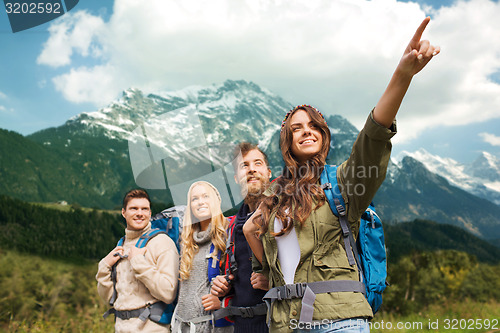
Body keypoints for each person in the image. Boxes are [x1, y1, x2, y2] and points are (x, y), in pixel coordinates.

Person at [243, 17, 440, 333]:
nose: (306, 131)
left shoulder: (343, 182)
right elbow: (259, 250)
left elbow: (372, 141)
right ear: (287, 142)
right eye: (297, 128)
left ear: (323, 134)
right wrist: (259, 253)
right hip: (284, 323)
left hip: (340, 320)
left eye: (312, 126)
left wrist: (403, 76)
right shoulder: (273, 196)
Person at [96, 189, 179, 332]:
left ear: (150, 213)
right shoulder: (120, 246)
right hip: (121, 327)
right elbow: (110, 299)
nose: (140, 213)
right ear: (124, 212)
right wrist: (104, 267)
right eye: (134, 208)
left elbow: (168, 293)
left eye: (144, 209)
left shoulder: (162, 243)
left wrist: (138, 262)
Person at [210, 142, 272, 333]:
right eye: (245, 165)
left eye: (257, 163)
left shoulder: (283, 216)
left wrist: (273, 281)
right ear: (237, 178)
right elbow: (237, 274)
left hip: (278, 323)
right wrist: (225, 286)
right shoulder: (233, 227)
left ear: (269, 173)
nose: (252, 169)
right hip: (242, 325)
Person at [172, 181, 233, 333]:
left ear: (217, 200)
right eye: (195, 199)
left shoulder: (229, 234)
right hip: (183, 325)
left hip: (214, 326)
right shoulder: (187, 240)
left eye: (206, 196)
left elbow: (243, 281)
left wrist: (223, 302)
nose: (200, 202)